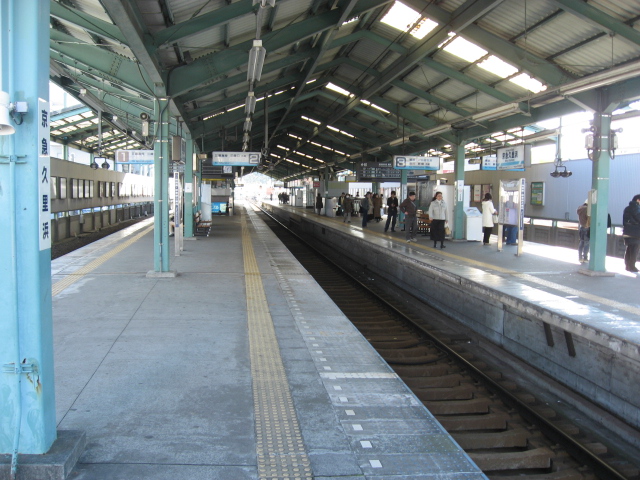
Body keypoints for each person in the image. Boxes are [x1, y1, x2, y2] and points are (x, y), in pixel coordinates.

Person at [622, 194, 640, 273]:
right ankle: (632, 266)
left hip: (627, 231)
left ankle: (627, 265)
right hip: (635, 233)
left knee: (629, 248)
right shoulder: (637, 208)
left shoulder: (627, 208)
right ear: (638, 200)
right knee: (634, 249)